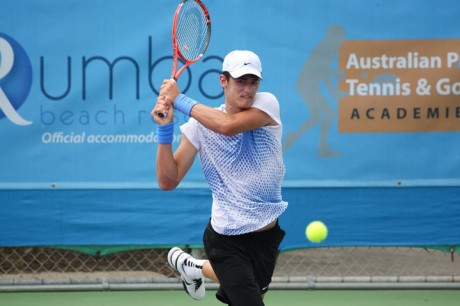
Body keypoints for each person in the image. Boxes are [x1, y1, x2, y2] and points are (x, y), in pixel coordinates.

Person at [152, 50, 288, 306]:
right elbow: (168, 181)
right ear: (223, 81)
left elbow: (227, 126)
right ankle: (199, 264)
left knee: (251, 292)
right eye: (240, 81)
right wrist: (164, 129)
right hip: (226, 239)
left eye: (253, 82)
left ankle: (192, 266)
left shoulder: (267, 104)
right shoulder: (199, 125)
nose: (248, 89)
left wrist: (178, 99)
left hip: (266, 235)